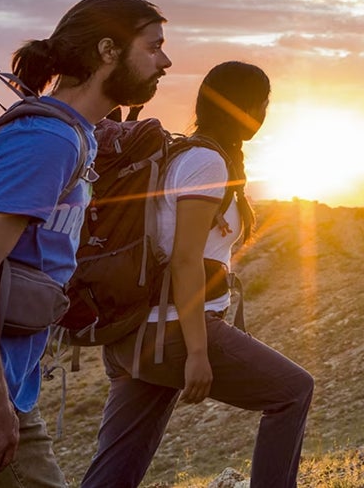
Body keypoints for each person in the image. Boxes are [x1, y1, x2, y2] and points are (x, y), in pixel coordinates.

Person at [0, 0, 170, 487]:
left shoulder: (71, 134)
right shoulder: (46, 140)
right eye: (154, 47)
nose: (165, 61)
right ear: (108, 51)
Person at [82, 62, 312, 488]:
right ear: (248, 108)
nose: (264, 113)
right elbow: (185, 260)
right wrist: (198, 352)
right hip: (173, 334)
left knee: (114, 472)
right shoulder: (207, 162)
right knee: (293, 391)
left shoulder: (184, 154)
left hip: (135, 335)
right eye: (262, 103)